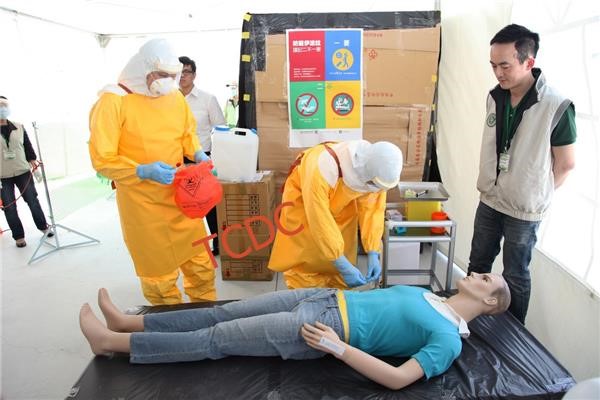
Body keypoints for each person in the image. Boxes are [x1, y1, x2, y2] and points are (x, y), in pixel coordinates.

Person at [80, 272, 510, 390]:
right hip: (324, 297)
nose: (476, 274)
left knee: (217, 340)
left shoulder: (448, 340)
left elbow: (398, 379)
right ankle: (129, 322)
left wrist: (337, 348)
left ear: (490, 303)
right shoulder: (431, 295)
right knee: (220, 313)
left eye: (486, 279)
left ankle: (111, 342)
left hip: (321, 327)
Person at [88, 39, 216, 305]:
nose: (168, 81)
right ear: (143, 69)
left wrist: (197, 153)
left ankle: (205, 311)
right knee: (159, 276)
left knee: (200, 263)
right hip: (142, 204)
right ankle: (169, 323)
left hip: (181, 196)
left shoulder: (174, 97)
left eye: (173, 75)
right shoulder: (113, 101)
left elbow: (186, 133)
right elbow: (102, 158)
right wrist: (140, 170)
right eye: (162, 74)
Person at [468, 24, 576, 324]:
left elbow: (566, 164)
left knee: (515, 274)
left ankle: (512, 337)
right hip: (490, 198)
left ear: (529, 62)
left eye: (505, 65)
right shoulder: (495, 96)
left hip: (524, 210)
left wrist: (534, 192)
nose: (498, 73)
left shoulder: (556, 105)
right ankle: (467, 321)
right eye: (493, 65)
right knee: (477, 264)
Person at [268, 140, 402, 289]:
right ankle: (305, 293)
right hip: (305, 206)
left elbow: (372, 210)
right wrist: (341, 263)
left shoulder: (376, 171)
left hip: (340, 207)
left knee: (339, 255)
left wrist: (373, 251)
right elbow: (319, 219)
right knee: (306, 256)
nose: (376, 189)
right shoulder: (321, 168)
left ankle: (338, 287)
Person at [178, 56, 226, 256]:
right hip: (176, 160)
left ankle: (218, 242)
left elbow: (221, 128)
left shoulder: (207, 99)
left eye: (186, 72)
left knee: (208, 204)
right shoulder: (167, 100)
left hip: (201, 158)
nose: (182, 76)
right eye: (179, 72)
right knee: (181, 204)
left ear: (194, 75)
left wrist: (216, 159)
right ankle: (186, 246)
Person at [0, 96, 53, 248]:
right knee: (9, 207)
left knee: (32, 200)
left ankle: (43, 227)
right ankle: (19, 236)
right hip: (2, 176)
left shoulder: (19, 127)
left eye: (4, 105)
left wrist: (33, 163)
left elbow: (28, 148)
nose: (2, 108)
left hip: (22, 171)